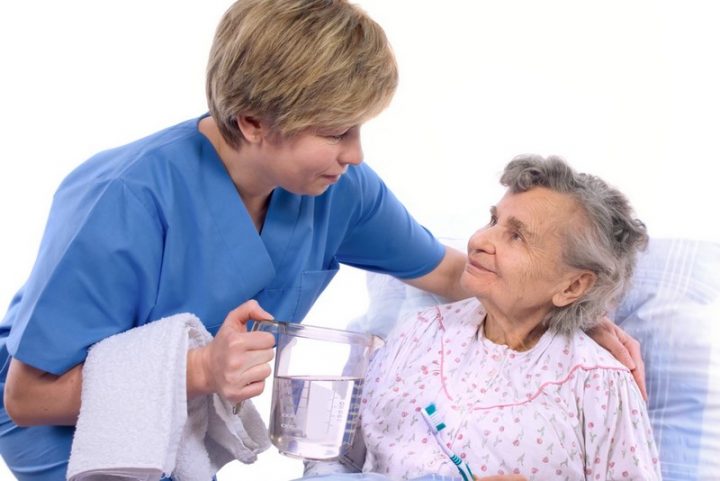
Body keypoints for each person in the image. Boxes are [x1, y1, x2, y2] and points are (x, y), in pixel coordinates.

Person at [0, 1, 643, 479]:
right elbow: (27, 397)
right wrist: (199, 370)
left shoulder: (340, 189)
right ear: (253, 121)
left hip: (184, 428)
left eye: (359, 128)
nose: (356, 153)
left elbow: (452, 273)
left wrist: (576, 313)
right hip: (69, 432)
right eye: (336, 131)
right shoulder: (124, 198)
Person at [359, 155, 661, 480]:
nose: (478, 241)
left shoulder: (598, 383)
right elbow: (331, 462)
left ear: (573, 285)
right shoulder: (417, 334)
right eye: (492, 221)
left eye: (517, 235)